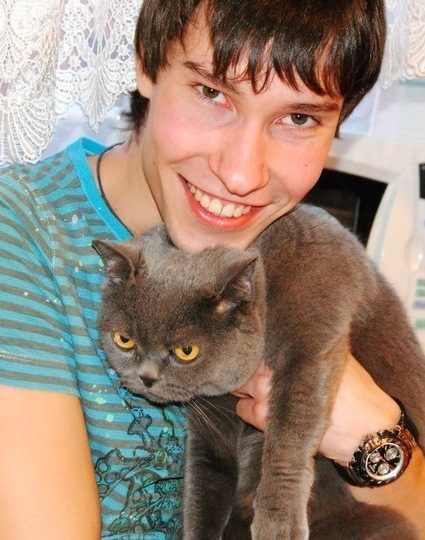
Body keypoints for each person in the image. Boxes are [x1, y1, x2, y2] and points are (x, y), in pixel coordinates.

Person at [0, 0, 423, 538]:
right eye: (212, 93)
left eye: (298, 118)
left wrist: (374, 437)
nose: (242, 174)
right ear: (146, 62)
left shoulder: (301, 256)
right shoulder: (23, 239)